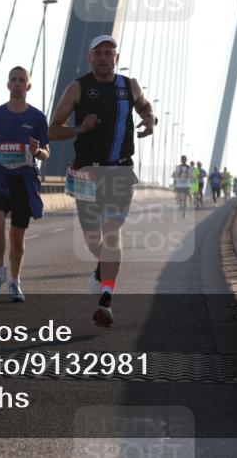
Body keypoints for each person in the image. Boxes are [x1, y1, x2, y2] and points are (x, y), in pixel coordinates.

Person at [49, 35, 156, 327]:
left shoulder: (129, 85)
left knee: (111, 231)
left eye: (110, 52)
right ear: (90, 58)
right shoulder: (77, 88)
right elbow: (53, 130)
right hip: (86, 172)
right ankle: (102, 267)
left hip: (120, 171)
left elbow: (146, 107)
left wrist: (150, 119)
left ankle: (106, 299)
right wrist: (79, 129)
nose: (105, 58)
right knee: (93, 239)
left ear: (116, 58)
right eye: (99, 53)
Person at [0, 66, 50, 303]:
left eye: (22, 80)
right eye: (13, 80)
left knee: (17, 236)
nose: (17, 84)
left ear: (28, 86)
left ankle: (15, 281)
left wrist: (37, 150)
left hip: (23, 179)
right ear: (8, 85)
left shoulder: (37, 118)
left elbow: (46, 153)